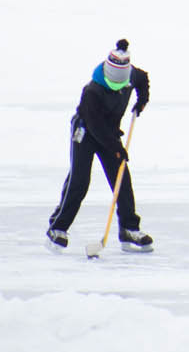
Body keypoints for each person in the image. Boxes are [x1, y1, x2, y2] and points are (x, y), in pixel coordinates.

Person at [46, 38, 153, 251]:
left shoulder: (132, 76)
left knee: (121, 178)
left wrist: (141, 101)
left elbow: (143, 80)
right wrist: (117, 149)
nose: (117, 88)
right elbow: (96, 127)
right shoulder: (92, 91)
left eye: (121, 85)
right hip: (86, 132)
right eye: (113, 85)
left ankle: (128, 229)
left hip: (110, 133)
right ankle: (57, 227)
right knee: (79, 180)